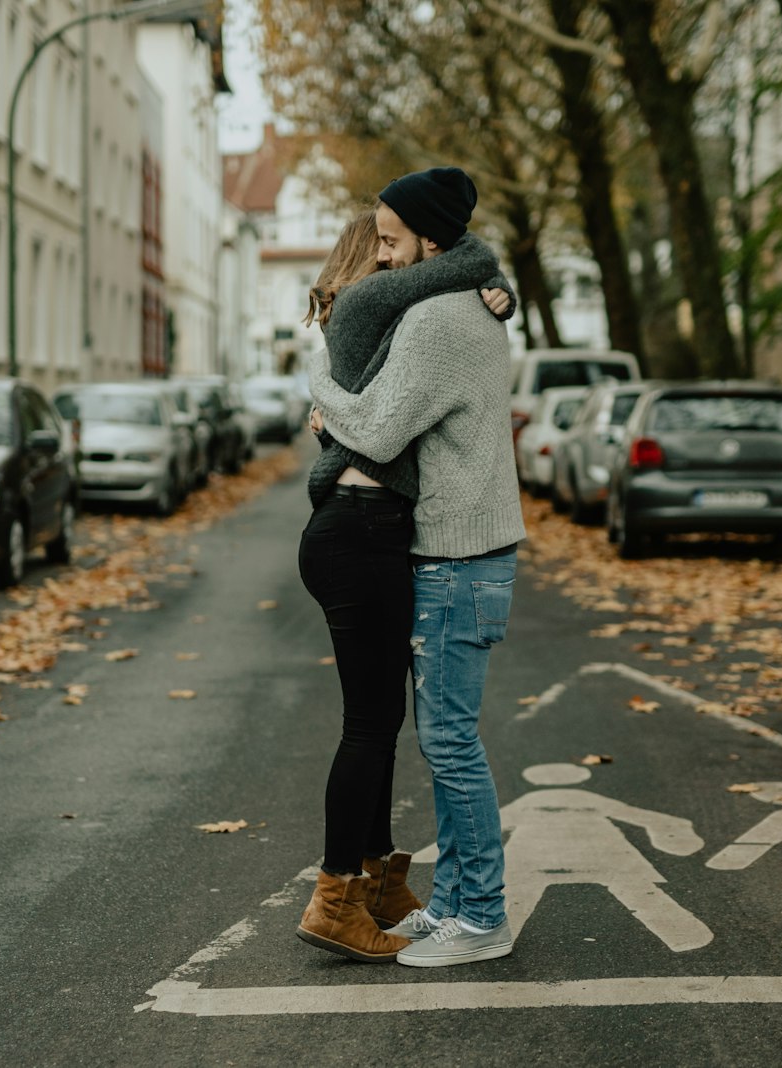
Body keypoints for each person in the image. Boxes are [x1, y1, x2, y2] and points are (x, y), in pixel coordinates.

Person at [306, 166, 527, 968]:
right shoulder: (466, 304)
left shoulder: (437, 321)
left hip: (457, 554)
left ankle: (483, 918)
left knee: (452, 744)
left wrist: (320, 385)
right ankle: (456, 902)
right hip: (464, 550)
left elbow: (378, 425)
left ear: (434, 239)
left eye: (393, 240)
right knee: (442, 739)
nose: (384, 255)